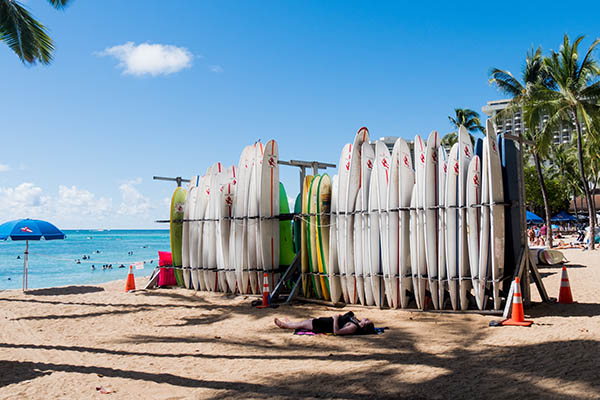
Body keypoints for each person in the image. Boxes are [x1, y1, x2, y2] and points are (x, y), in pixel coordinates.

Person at [274, 311, 375, 335]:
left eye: (366, 320)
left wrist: (335, 318)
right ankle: (291, 323)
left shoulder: (353, 327)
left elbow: (337, 332)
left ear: (363, 325)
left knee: (304, 323)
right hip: (326, 321)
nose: (365, 318)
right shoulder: (356, 321)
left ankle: (285, 325)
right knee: (306, 321)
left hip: (325, 326)